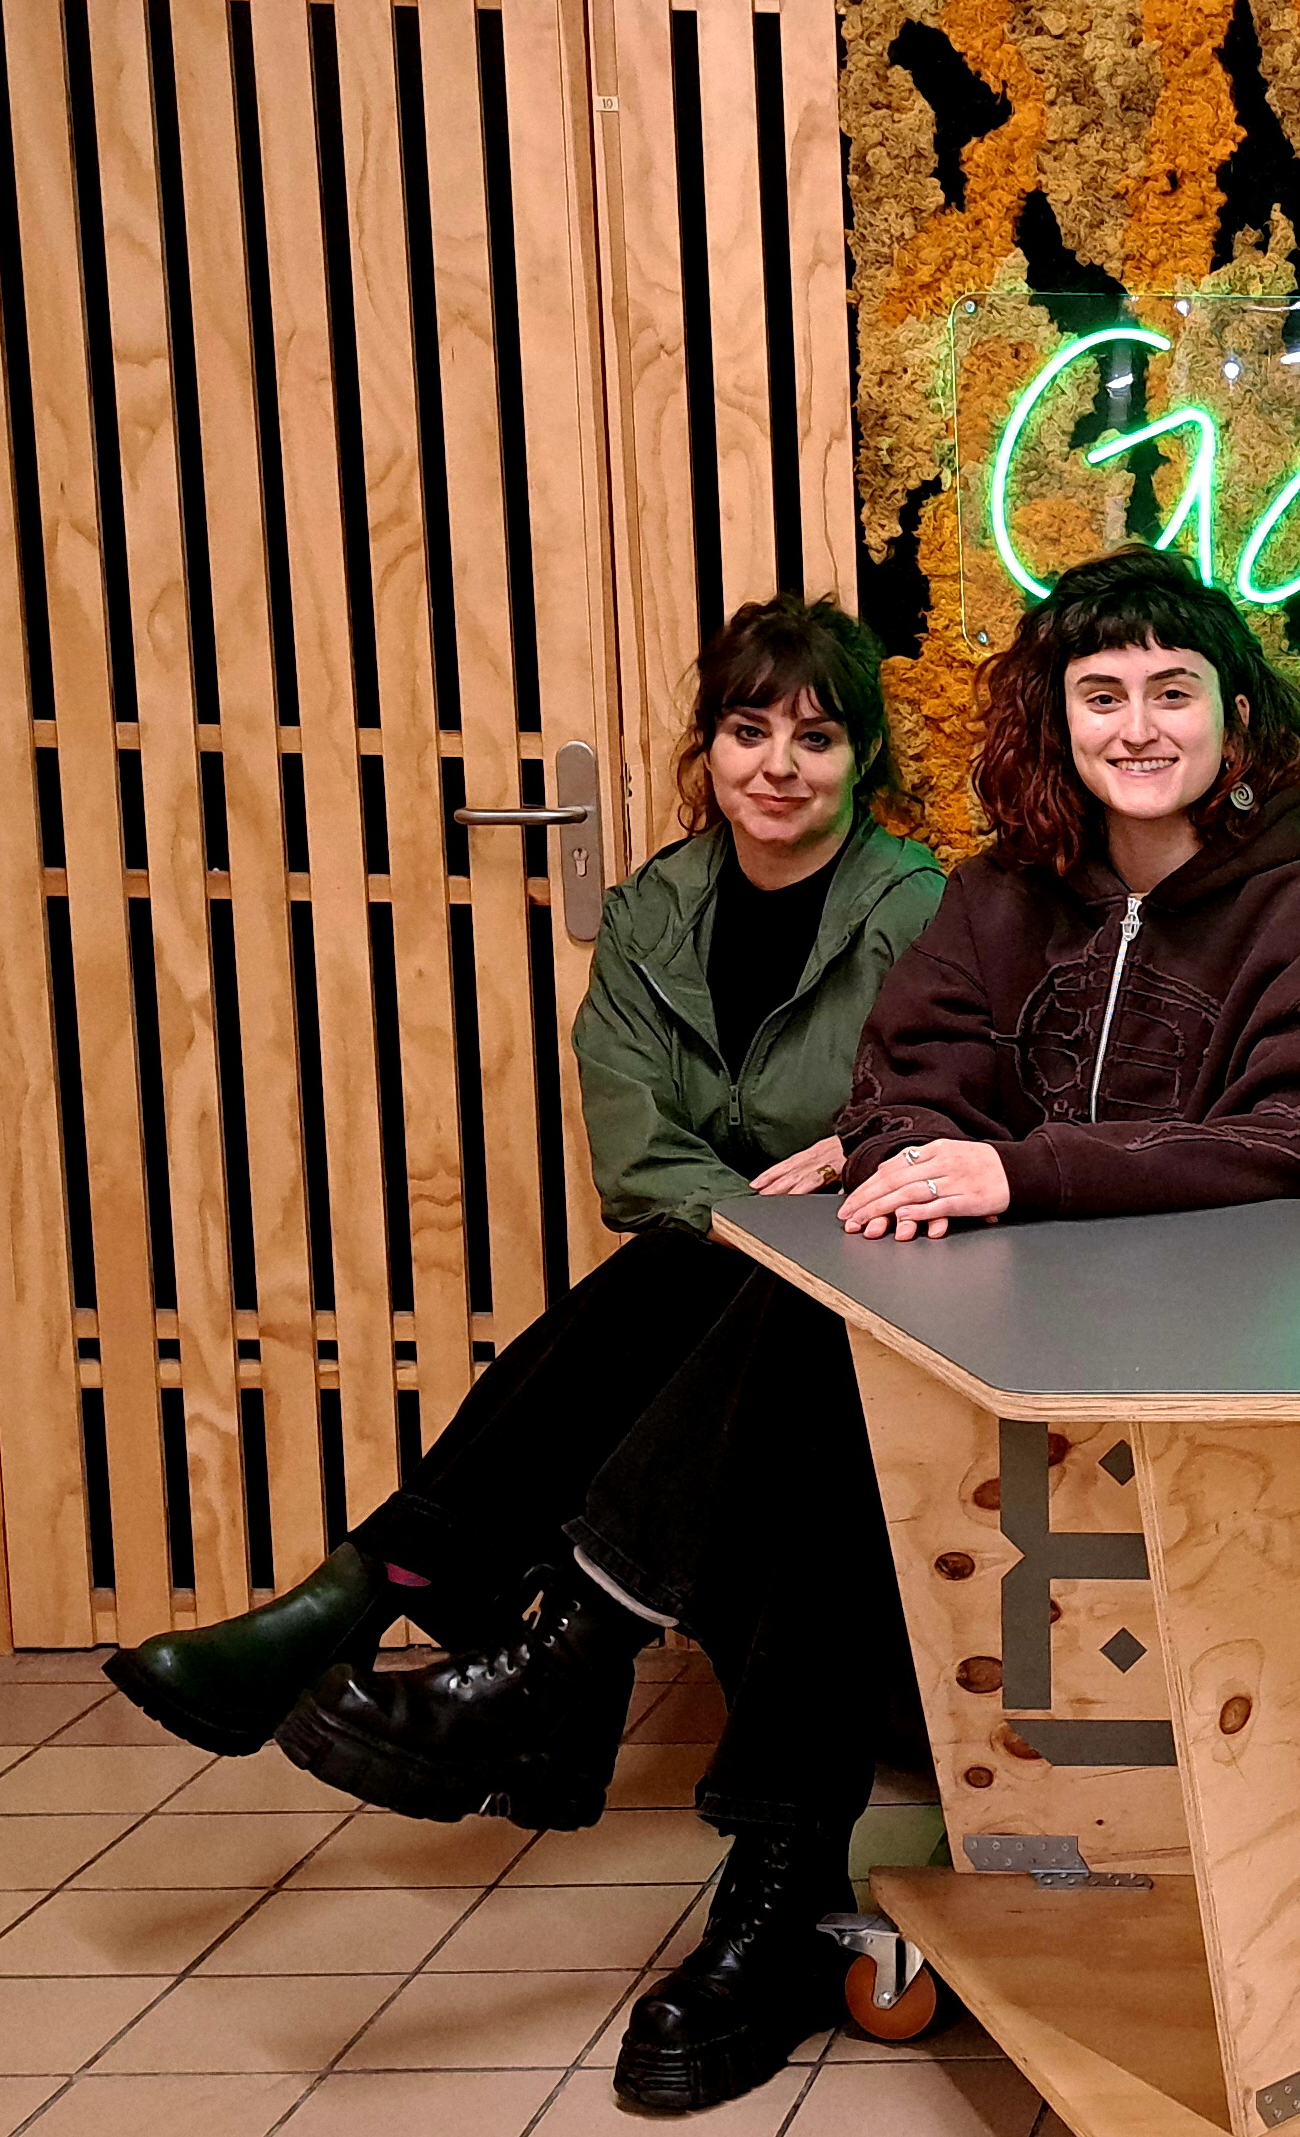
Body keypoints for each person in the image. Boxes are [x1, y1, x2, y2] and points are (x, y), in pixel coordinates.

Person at [269, 546, 1300, 2113]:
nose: (1138, 726)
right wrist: (917, 1150)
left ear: (1235, 717)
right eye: (1101, 695)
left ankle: (583, 1671)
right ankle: (768, 1872)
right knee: (818, 1364)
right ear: (1055, 721)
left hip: (1208, 1347)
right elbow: (903, 1082)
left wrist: (1015, 1170)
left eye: (1171, 692)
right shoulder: (999, 896)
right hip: (996, 1340)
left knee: (807, 1355)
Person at [102, 598, 942, 1756]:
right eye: (749, 732)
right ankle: (479, 1641)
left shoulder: (918, 907)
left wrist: (846, 1169)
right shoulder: (653, 913)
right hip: (715, 1266)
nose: (779, 768)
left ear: (864, 757)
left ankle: (373, 1593)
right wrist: (751, 1221)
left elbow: (934, 1109)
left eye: (817, 738)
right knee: (676, 1282)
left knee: (656, 1292)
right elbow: (637, 1155)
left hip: (868, 1272)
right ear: (707, 746)